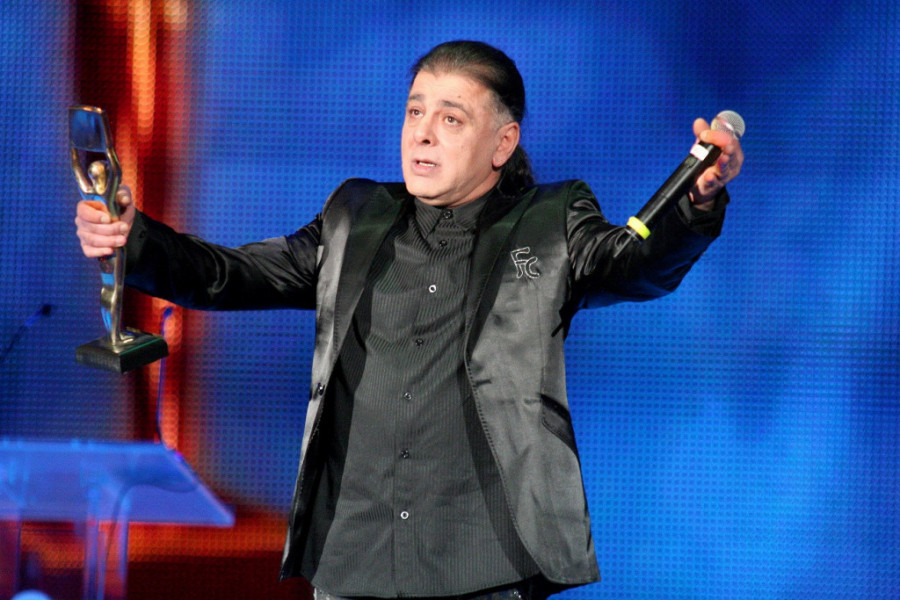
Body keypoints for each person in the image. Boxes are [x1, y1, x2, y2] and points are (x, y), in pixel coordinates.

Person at [75, 41, 743, 600]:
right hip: (353, 562)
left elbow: (633, 263)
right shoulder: (354, 216)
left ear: (502, 143)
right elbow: (229, 273)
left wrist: (696, 202)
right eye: (415, 111)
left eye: (451, 119)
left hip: (482, 568)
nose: (422, 132)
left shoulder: (549, 221)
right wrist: (134, 239)